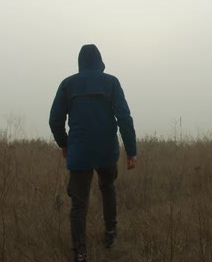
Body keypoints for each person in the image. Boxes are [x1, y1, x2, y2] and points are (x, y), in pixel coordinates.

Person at [49, 44, 137, 262]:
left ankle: (79, 252)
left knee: (79, 204)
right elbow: (124, 119)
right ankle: (110, 235)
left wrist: (65, 144)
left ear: (80, 63)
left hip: (79, 153)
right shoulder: (112, 83)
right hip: (107, 150)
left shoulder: (67, 84)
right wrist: (131, 152)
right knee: (108, 189)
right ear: (100, 62)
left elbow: (55, 120)